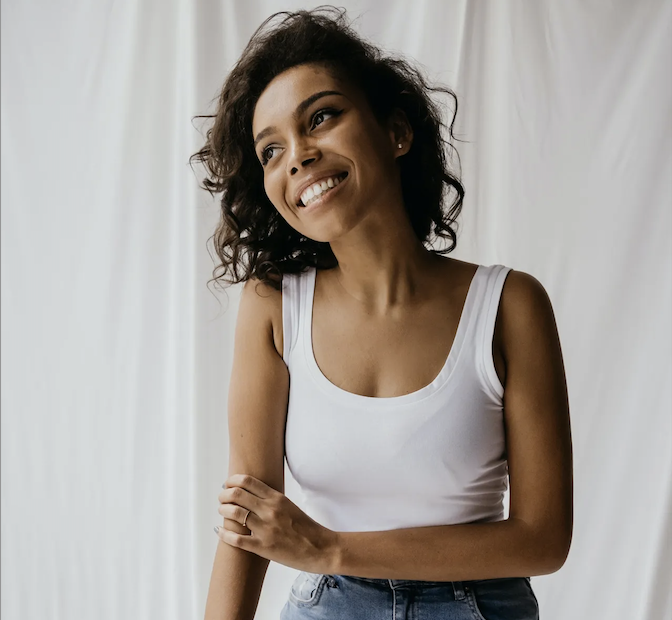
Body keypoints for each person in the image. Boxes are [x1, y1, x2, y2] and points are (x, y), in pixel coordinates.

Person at [190, 7, 573, 620]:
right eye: (270, 150)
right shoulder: (273, 306)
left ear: (396, 130)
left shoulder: (509, 306)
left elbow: (544, 538)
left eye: (321, 116)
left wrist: (329, 548)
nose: (297, 156)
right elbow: (249, 516)